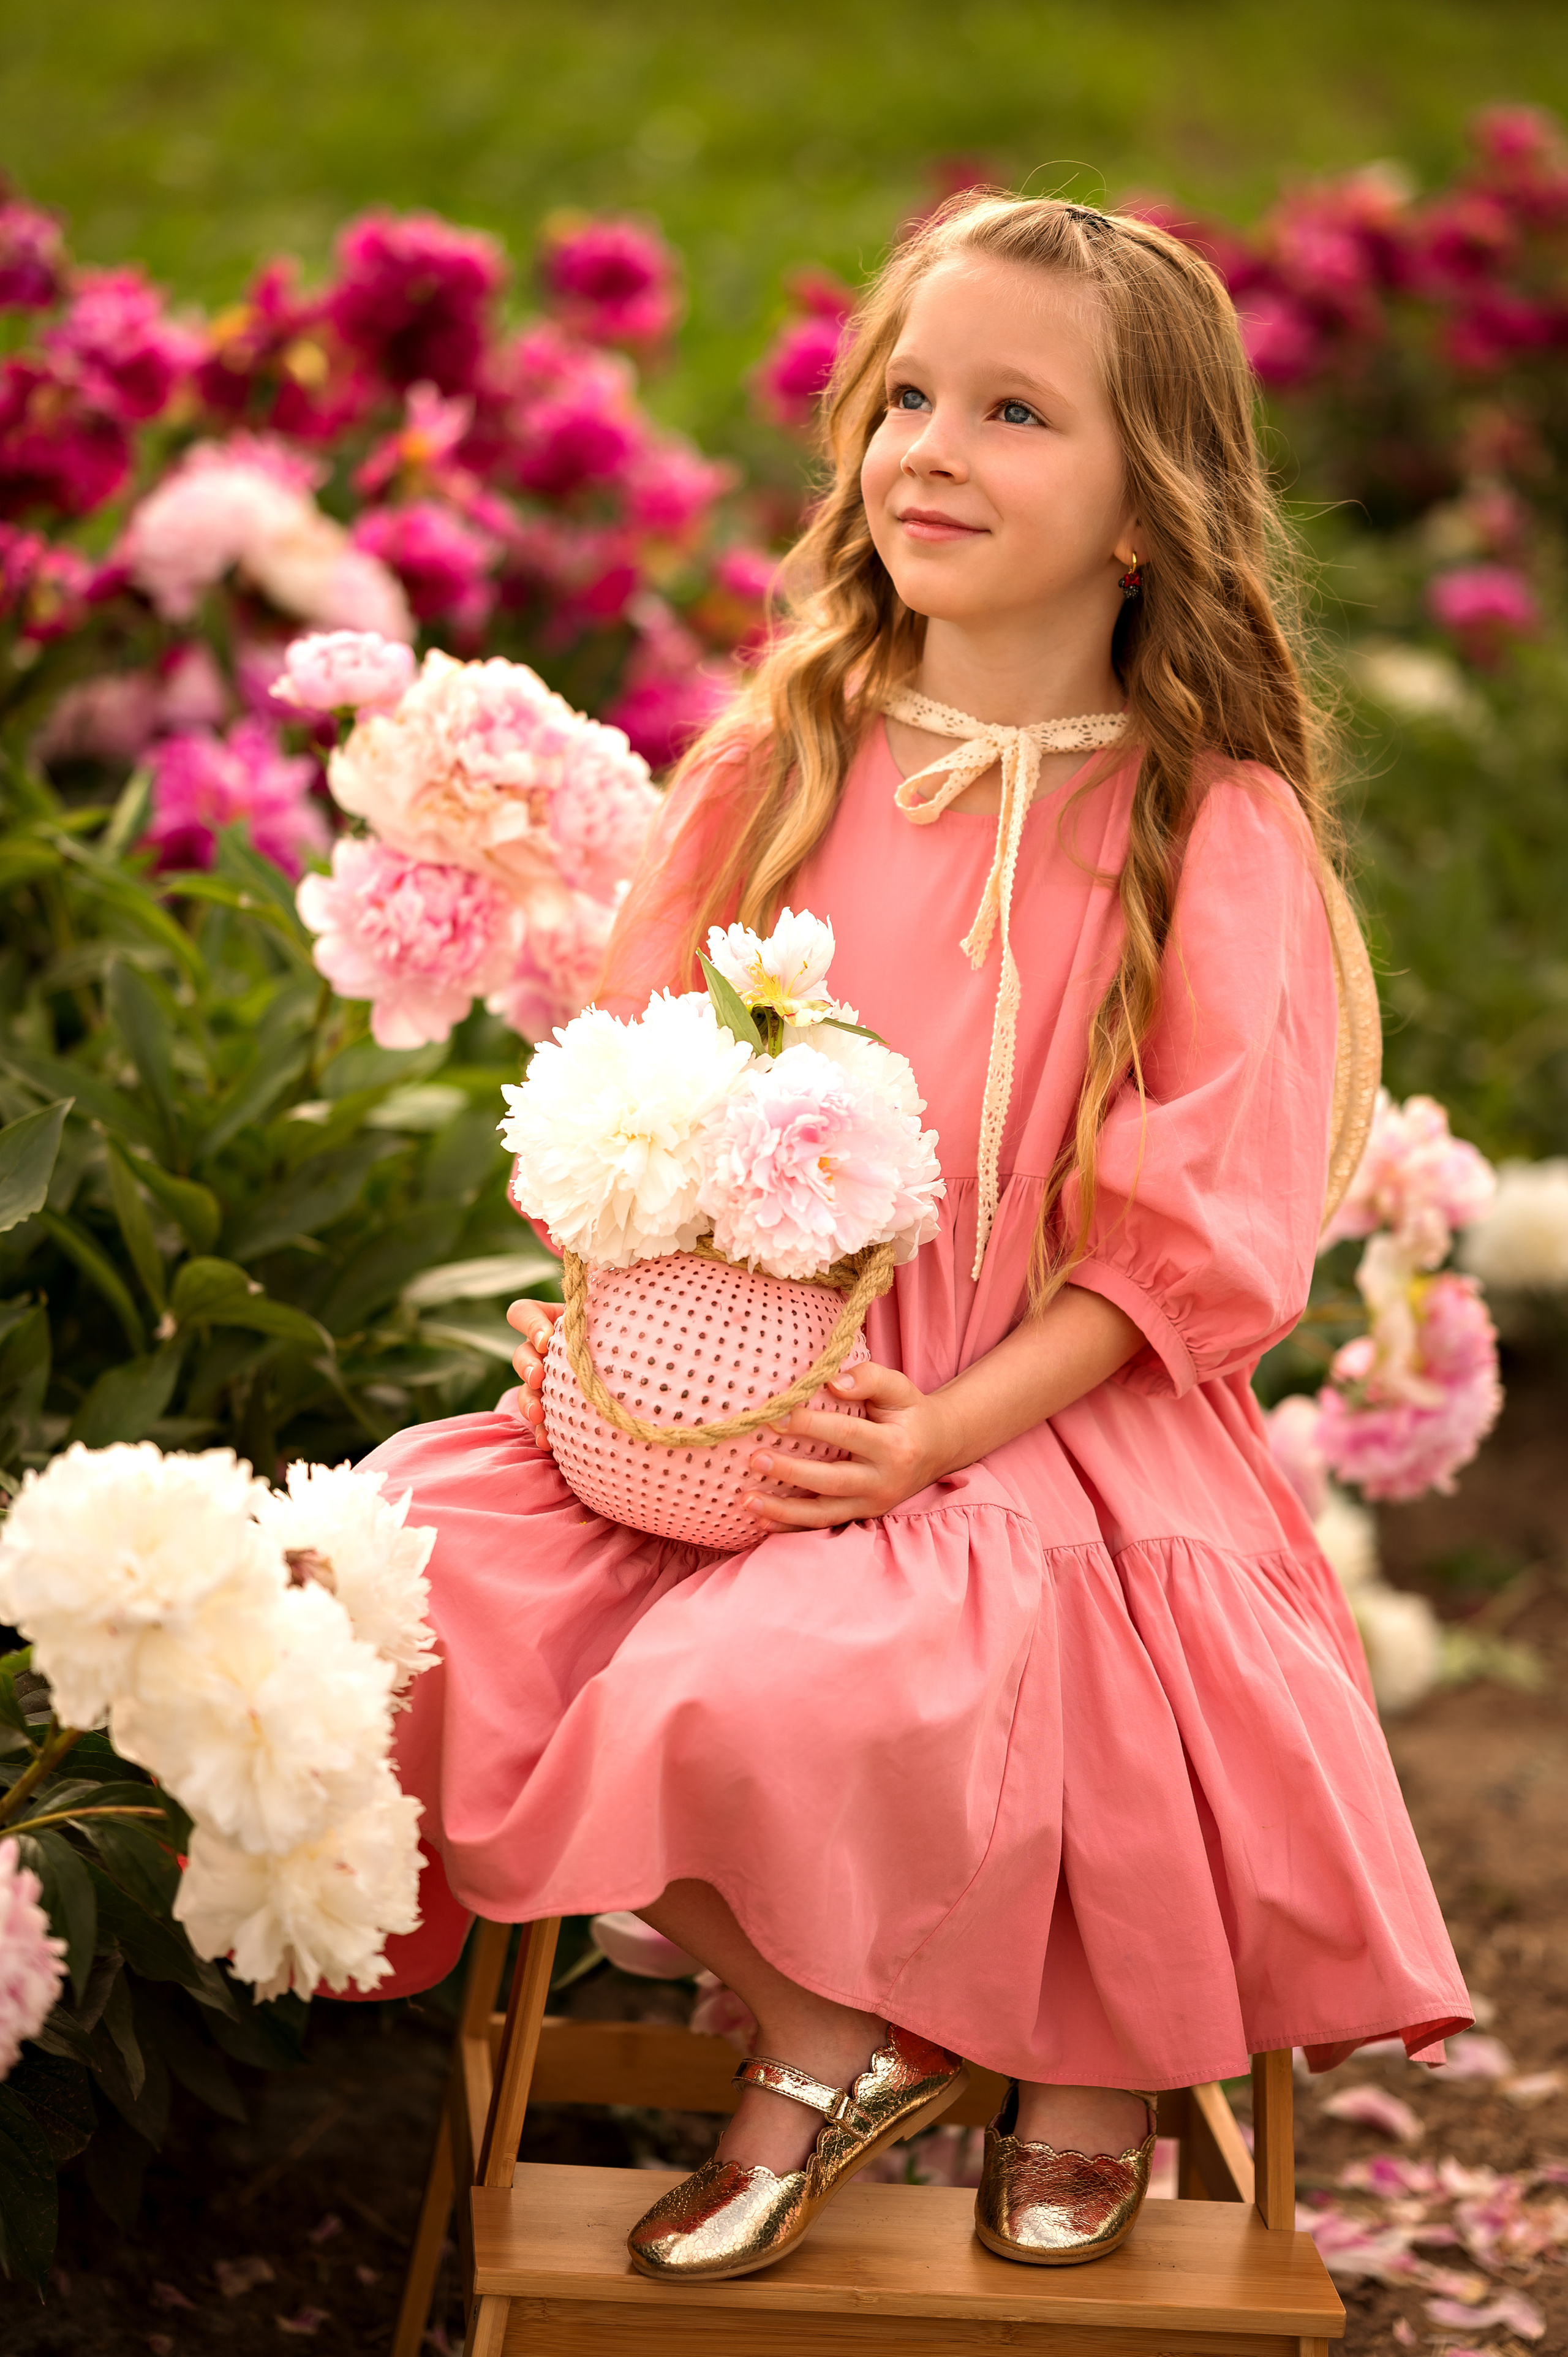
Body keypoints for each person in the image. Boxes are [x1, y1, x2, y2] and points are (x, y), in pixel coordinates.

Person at [353, 193, 1469, 2281]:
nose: (931, 450)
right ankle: (837, 2030)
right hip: (746, 1390)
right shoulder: (780, 764)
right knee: (399, 1597)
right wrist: (609, 1333)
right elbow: (643, 1101)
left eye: (1017, 413)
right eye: (909, 397)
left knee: (761, 1691)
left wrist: (941, 1434)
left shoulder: (1202, 826)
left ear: (1152, 511)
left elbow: (1187, 1246)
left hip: (1040, 1409)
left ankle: (1066, 2058)